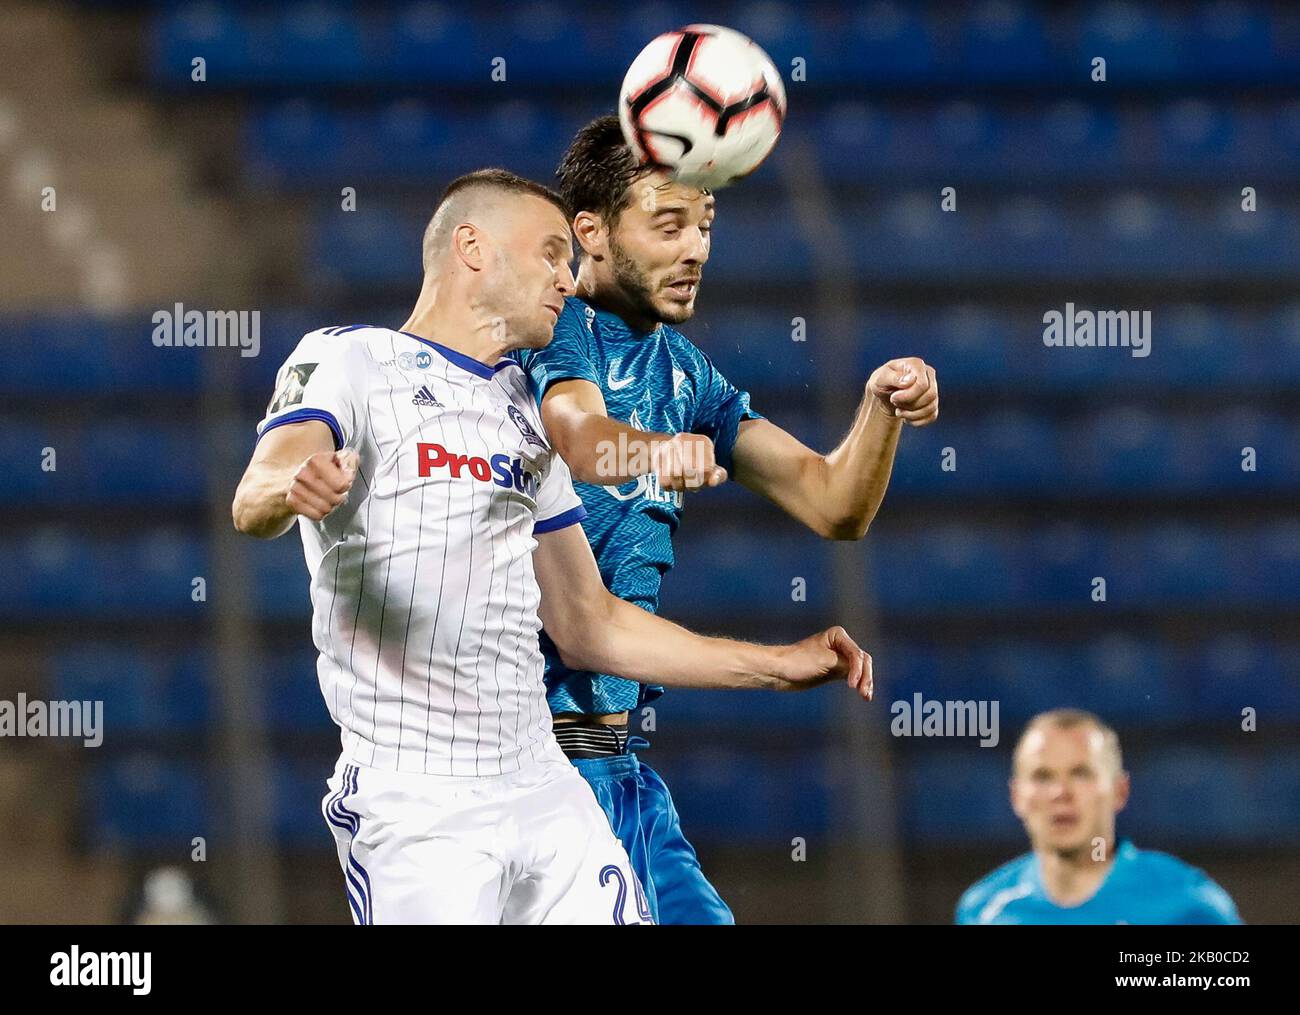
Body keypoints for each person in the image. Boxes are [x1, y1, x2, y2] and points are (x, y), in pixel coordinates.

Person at [231, 169, 872, 924]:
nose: (568, 280)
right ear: (472, 246)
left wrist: (773, 666)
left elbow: (588, 622)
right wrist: (293, 488)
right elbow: (256, 492)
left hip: (542, 783)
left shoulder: (521, 414)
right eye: (549, 254)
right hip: (419, 802)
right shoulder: (351, 360)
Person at [516, 117, 938, 923]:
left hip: (622, 770)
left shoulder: (685, 372)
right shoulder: (554, 322)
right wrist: (655, 453)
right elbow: (579, 435)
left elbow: (831, 501)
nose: (696, 249)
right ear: (592, 233)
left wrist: (881, 410)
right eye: (668, 224)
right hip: (527, 774)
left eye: (705, 225)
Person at [956, 709, 1241, 924]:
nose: (1061, 792)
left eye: (1081, 774)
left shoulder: (1187, 903)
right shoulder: (983, 910)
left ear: (1120, 791)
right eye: (1042, 776)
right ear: (1017, 796)